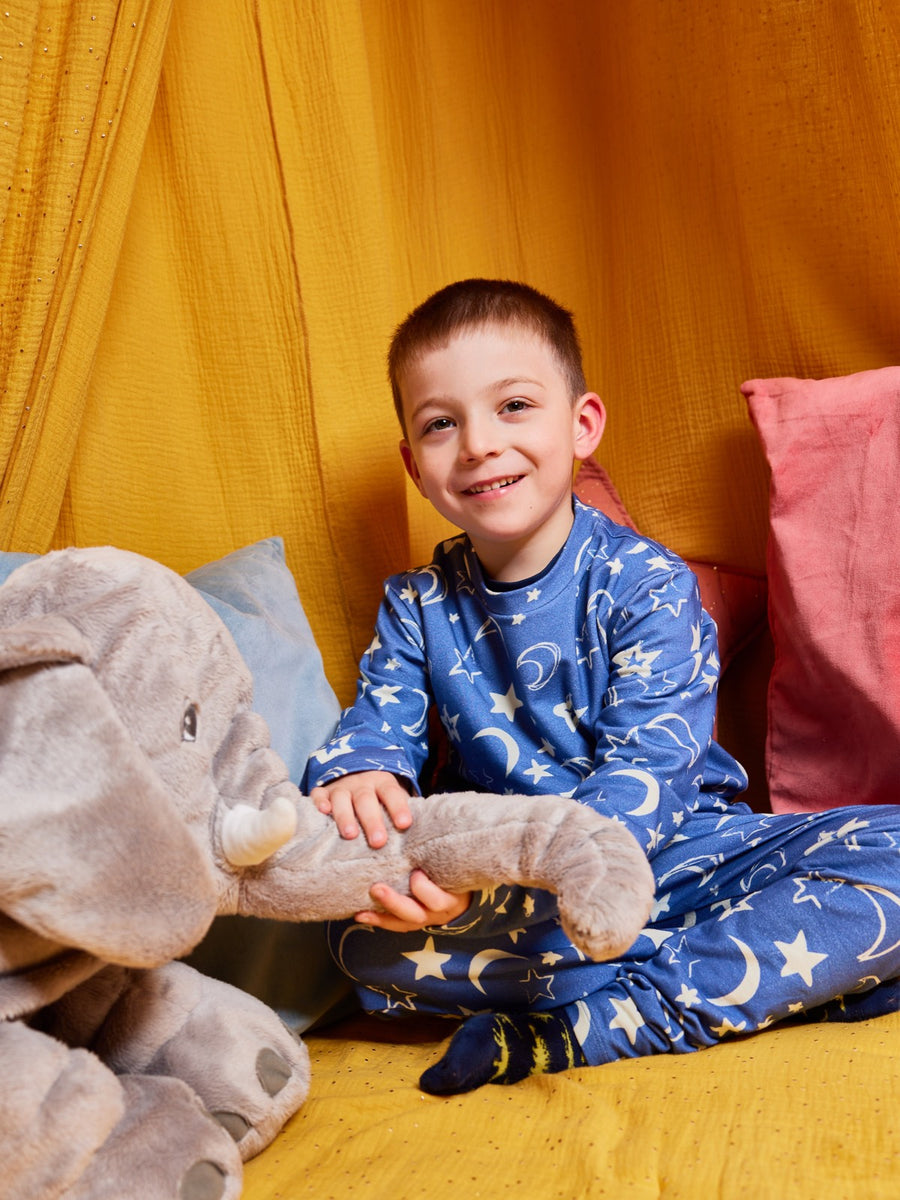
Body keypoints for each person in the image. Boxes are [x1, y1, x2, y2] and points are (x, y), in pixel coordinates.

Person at [304, 278, 900, 1094]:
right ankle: (760, 977)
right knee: (357, 940)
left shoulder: (645, 583)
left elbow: (648, 771)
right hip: (511, 894)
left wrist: (579, 878)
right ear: (415, 465)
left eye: (514, 406)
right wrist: (360, 780)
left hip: (683, 858)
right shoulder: (416, 606)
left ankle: (606, 1020)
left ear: (581, 426)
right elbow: (377, 731)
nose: (478, 442)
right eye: (442, 423)